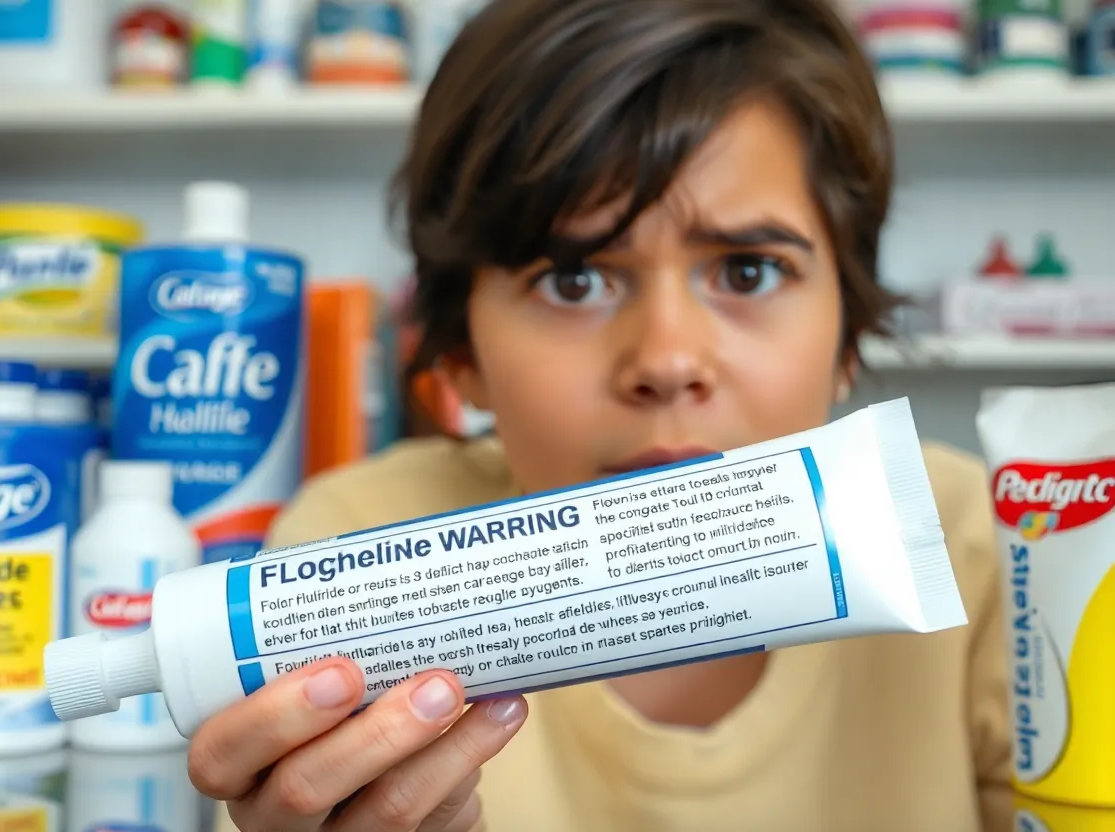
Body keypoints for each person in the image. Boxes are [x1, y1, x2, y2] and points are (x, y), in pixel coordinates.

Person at [194, 0, 1012, 829]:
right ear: (462, 356)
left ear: (849, 333)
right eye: (574, 281)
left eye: (749, 272)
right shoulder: (347, 556)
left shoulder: (994, 547)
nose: (666, 360)